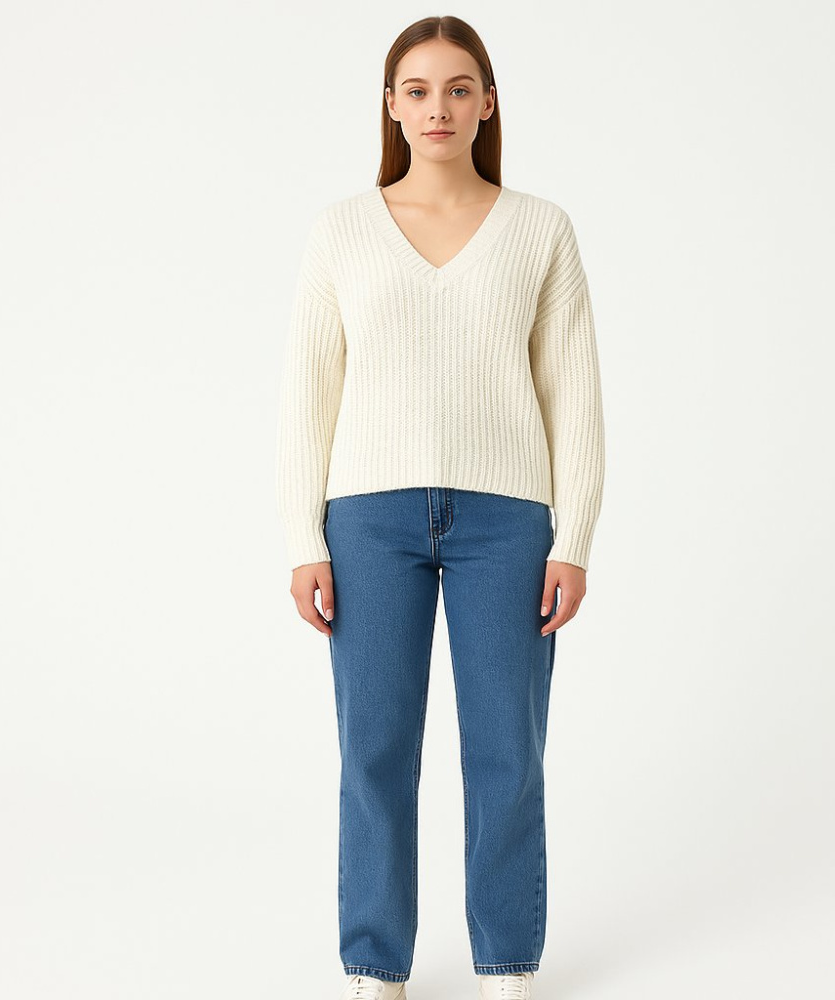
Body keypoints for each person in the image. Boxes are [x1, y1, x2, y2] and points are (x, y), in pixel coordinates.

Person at [276, 15, 605, 1000]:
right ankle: (375, 966)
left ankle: (506, 964)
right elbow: (308, 392)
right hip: (366, 521)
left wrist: (574, 538)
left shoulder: (540, 229)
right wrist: (302, 538)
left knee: (508, 750)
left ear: (487, 103)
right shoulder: (341, 230)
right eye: (417, 90)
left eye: (459, 88)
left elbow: (573, 394)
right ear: (390, 105)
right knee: (374, 751)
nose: (438, 108)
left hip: (509, 522)